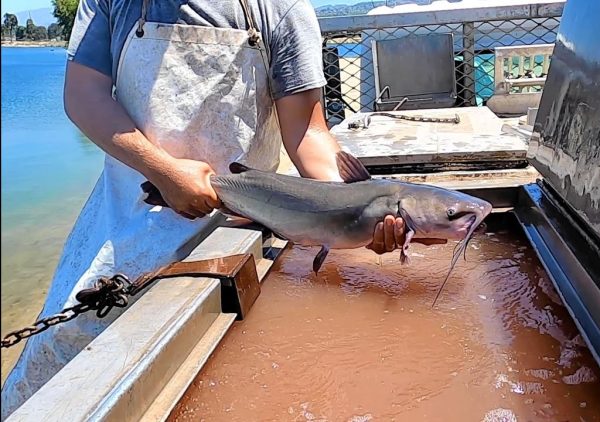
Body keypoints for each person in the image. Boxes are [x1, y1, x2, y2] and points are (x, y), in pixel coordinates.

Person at [0, 0, 412, 417]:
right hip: (120, 223)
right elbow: (83, 94)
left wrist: (357, 214)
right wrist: (162, 171)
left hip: (239, 230)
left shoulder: (280, 9)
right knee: (56, 360)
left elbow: (307, 132)